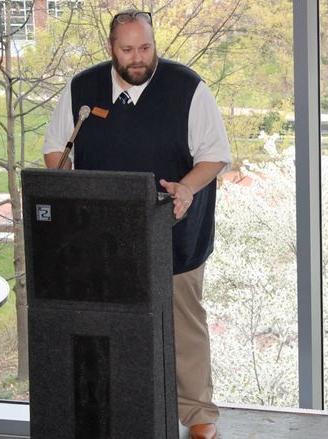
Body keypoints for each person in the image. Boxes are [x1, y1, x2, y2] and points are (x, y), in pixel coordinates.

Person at [42, 9, 230, 439]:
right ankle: (120, 409)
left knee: (184, 324)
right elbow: (56, 151)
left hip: (175, 233)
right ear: (112, 49)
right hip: (102, 238)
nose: (139, 57)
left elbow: (214, 155)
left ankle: (199, 415)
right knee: (112, 325)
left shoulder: (188, 87)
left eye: (146, 47)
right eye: (128, 50)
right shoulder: (82, 90)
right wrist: (68, 181)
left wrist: (185, 187)